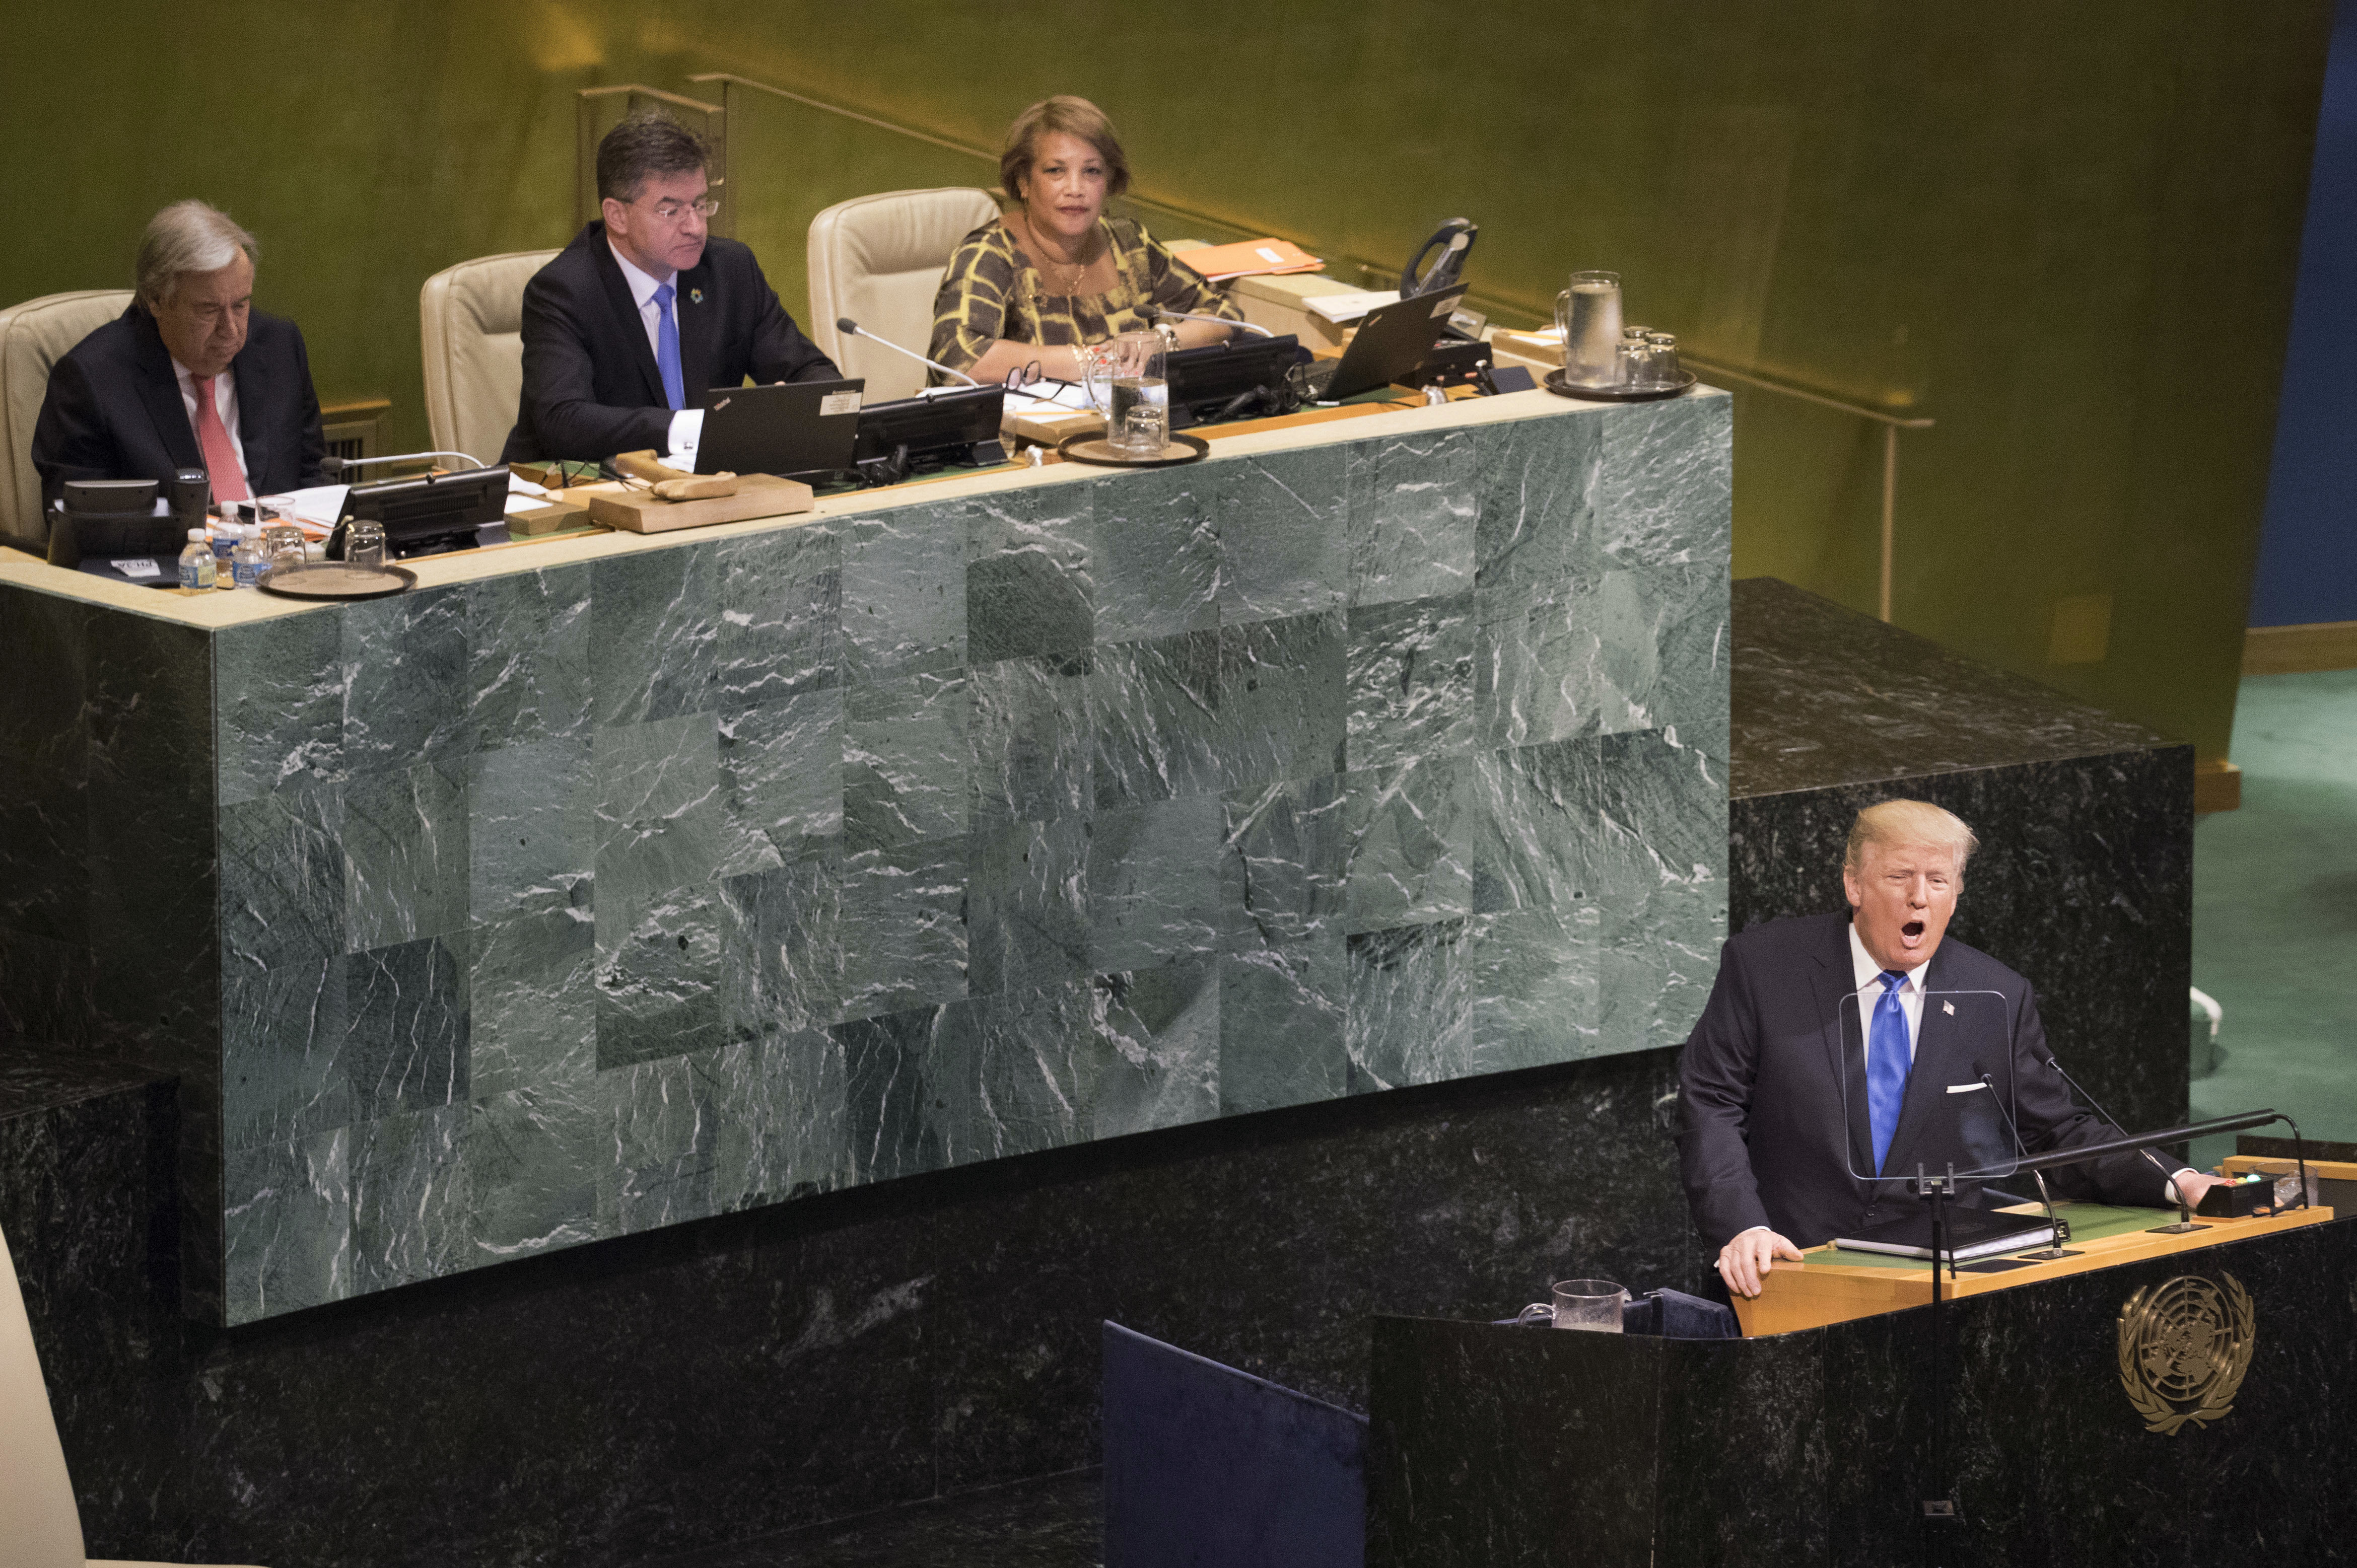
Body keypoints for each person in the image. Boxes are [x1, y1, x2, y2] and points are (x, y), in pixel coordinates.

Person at [1678, 799, 2225, 1298]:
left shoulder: (1995, 995)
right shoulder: (1765, 967)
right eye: (1900, 876)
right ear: (1854, 885)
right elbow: (1711, 1105)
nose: (1920, 896)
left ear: (1957, 892)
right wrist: (1743, 1225)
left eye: (1939, 880)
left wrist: (2177, 1181)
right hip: (1790, 1270)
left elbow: (2055, 1130)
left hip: (1935, 1290)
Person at [502, 113, 839, 464]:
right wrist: (694, 429)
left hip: (703, 491)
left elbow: (813, 373)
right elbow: (565, 423)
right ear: (617, 216)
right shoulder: (563, 292)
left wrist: (794, 405)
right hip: (570, 497)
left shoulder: (729, 271)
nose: (695, 226)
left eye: (699, 204)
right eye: (671, 211)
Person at [929, 95, 1241, 386]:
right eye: (1056, 171)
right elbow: (959, 360)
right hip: (1021, 440)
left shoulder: (1131, 244)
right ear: (1023, 181)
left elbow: (1224, 315)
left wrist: (1162, 340)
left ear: (1108, 181)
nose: (1075, 189)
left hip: (1124, 427)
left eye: (1092, 172)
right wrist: (1094, 359)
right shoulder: (990, 253)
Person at [32, 200, 326, 507]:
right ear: (156, 300)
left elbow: (314, 479)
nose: (231, 329)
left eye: (240, 305)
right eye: (208, 310)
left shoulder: (280, 348)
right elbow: (79, 525)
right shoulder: (91, 382)